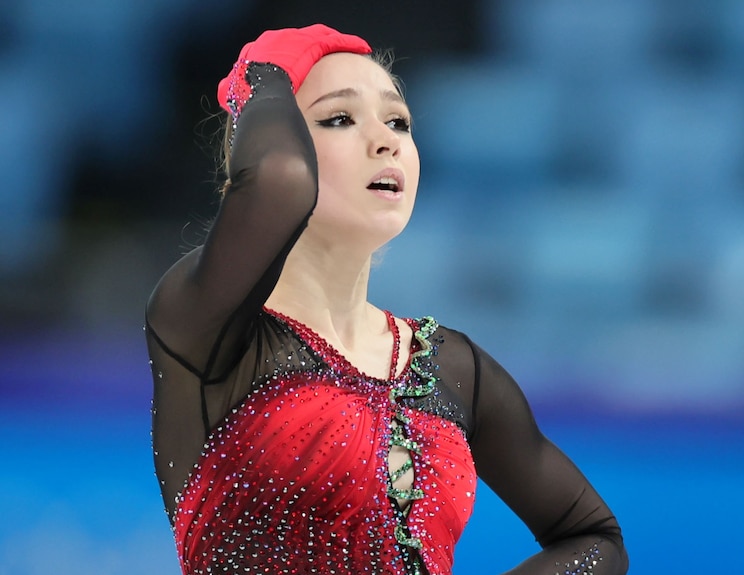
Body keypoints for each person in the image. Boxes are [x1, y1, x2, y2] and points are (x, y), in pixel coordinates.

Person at [145, 23, 628, 575]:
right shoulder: (207, 330)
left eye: (397, 121)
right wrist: (265, 75)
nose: (387, 140)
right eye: (339, 118)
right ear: (260, 145)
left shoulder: (452, 367)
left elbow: (595, 540)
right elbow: (281, 180)